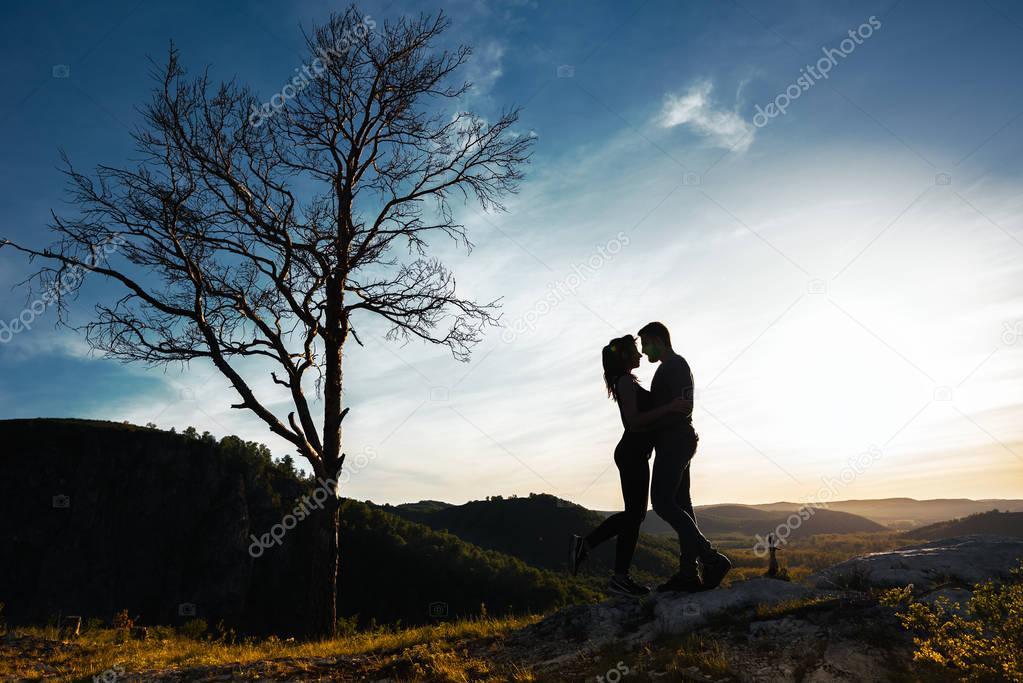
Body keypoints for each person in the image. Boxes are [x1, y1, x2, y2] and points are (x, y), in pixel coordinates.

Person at [570, 334, 691, 597]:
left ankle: (618, 577)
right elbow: (634, 422)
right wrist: (671, 406)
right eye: (635, 350)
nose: (639, 354)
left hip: (635, 453)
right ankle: (591, 548)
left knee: (634, 516)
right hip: (631, 453)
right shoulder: (625, 381)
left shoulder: (626, 381)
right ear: (624, 356)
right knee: (634, 515)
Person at [638, 321, 731, 592]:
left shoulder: (675, 365)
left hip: (675, 441)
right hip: (676, 441)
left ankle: (712, 559)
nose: (644, 352)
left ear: (657, 340)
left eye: (645, 344)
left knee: (663, 503)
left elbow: (684, 404)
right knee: (682, 505)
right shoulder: (671, 366)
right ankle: (688, 573)